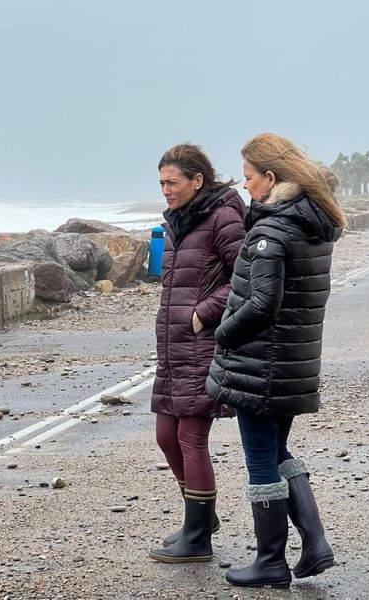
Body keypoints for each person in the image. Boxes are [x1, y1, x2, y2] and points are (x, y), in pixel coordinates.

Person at [206, 133, 345, 588]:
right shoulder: (312, 221)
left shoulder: (270, 230)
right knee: (277, 451)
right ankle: (315, 542)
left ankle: (270, 562)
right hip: (291, 364)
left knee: (261, 461)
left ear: (271, 177)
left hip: (260, 367)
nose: (244, 186)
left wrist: (222, 334)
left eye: (248, 178)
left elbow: (262, 302)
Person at [148, 144, 245, 563]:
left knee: (190, 437)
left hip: (202, 344)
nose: (165, 191)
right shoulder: (178, 221)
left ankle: (199, 538)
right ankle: (201, 518)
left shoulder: (222, 216)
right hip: (174, 346)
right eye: (161, 184)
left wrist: (202, 314)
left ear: (197, 180)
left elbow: (248, 275)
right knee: (165, 436)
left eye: (172, 183)